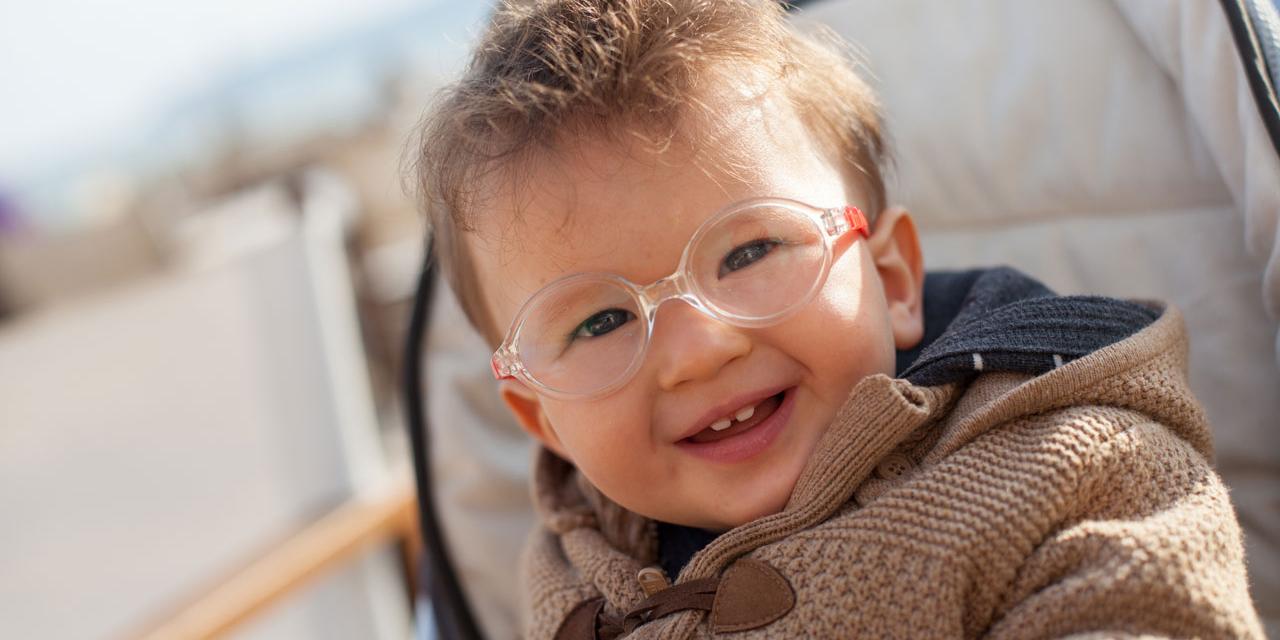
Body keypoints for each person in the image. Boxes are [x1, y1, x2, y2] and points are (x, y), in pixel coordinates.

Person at [410, 1, 1264, 637]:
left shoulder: (1068, 462)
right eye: (598, 324)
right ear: (541, 419)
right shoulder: (564, 574)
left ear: (892, 280)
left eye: (748, 254)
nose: (698, 351)